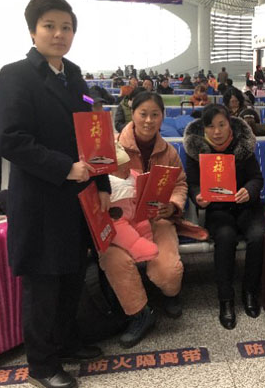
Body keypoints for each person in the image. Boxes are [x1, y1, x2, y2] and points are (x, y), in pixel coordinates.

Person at [0, 0, 111, 388]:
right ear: (33, 31)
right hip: (41, 196)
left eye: (66, 27)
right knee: (43, 282)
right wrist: (65, 168)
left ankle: (66, 342)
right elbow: (11, 140)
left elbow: (93, 133)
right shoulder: (16, 75)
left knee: (72, 274)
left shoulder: (75, 76)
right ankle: (41, 366)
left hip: (78, 197)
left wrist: (102, 182)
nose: (59, 34)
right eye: (50, 26)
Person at [100, 92, 187, 347]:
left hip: (158, 219)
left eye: (155, 115)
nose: (148, 120)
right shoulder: (113, 146)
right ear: (133, 114)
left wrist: (172, 206)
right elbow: (97, 183)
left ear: (162, 117)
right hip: (120, 222)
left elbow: (180, 184)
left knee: (168, 270)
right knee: (113, 259)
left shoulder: (169, 151)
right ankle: (140, 313)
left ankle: (170, 294)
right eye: (143, 114)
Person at [184, 105, 265, 330]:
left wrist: (249, 190)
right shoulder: (196, 150)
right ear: (204, 128)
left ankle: (250, 291)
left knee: (258, 236)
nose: (217, 131)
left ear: (230, 124)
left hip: (246, 207)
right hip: (218, 210)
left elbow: (257, 179)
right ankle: (226, 299)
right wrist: (198, 196)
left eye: (222, 125)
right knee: (225, 237)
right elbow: (192, 183)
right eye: (211, 126)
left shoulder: (242, 146)